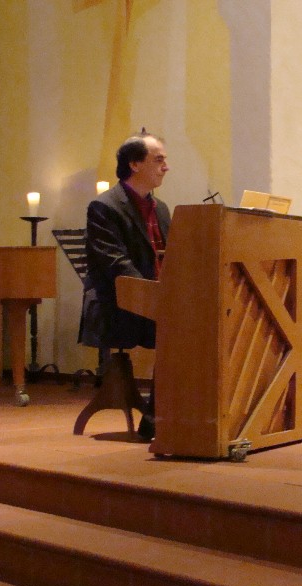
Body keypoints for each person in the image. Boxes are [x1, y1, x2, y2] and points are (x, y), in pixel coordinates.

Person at [79, 131, 172, 440]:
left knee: (199, 327)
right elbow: (116, 263)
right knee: (181, 331)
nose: (166, 167)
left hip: (154, 299)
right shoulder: (104, 207)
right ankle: (157, 419)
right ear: (134, 164)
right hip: (119, 305)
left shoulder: (161, 208)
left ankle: (177, 414)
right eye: (158, 160)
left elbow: (173, 257)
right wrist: (153, 295)